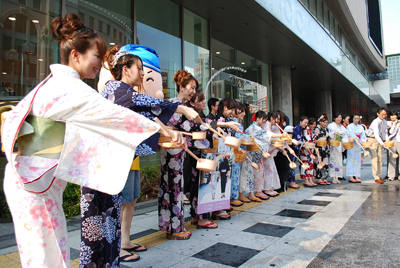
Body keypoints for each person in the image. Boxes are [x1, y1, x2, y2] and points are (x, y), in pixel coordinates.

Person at [2, 13, 162, 268]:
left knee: (48, 253)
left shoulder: (56, 84)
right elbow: (116, 116)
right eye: (96, 57)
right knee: (46, 257)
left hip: (35, 180)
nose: (100, 64)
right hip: (33, 182)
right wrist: (162, 133)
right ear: (76, 55)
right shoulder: (70, 89)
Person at [95, 45, 195, 262]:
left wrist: (164, 131)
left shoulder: (122, 92)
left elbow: (145, 120)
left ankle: (121, 245)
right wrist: (183, 109)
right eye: (138, 68)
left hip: (119, 158)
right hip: (111, 160)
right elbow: (151, 104)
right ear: (125, 69)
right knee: (113, 207)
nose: (141, 73)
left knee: (123, 201)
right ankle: (116, 251)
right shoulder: (118, 90)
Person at [367, 107, 389, 183]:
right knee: (375, 158)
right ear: (378, 114)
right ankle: (376, 176)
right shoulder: (375, 122)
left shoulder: (385, 122)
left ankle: (379, 175)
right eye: (382, 114)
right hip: (373, 139)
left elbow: (385, 132)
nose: (384, 116)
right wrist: (382, 143)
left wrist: (386, 141)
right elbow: (376, 134)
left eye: (385, 115)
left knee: (380, 158)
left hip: (380, 140)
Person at [346, 113, 367, 183]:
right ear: (353, 119)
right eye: (355, 118)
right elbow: (349, 134)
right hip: (352, 145)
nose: (356, 120)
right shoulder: (349, 126)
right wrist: (355, 138)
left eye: (358, 119)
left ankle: (357, 175)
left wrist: (364, 141)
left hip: (358, 145)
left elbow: (363, 136)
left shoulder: (361, 127)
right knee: (351, 159)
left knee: (358, 160)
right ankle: (351, 176)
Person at [328, 112, 347, 184]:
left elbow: (345, 136)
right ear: (334, 118)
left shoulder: (342, 127)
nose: (339, 119)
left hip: (339, 145)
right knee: (333, 160)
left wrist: (345, 142)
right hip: (333, 145)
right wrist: (334, 133)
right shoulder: (331, 126)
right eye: (338, 117)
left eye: (340, 117)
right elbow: (329, 134)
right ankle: (333, 177)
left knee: (339, 161)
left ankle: (337, 176)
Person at [289, 116, 309, 185]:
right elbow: (296, 142)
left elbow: (302, 139)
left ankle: (292, 181)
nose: (306, 124)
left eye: (307, 123)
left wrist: (305, 143)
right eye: (305, 122)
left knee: (293, 165)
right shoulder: (297, 129)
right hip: (293, 149)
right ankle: (292, 181)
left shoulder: (301, 129)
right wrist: (303, 144)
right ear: (300, 121)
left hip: (296, 150)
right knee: (292, 165)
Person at [314, 113, 331, 185]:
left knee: (326, 163)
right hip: (319, 148)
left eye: (326, 122)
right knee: (319, 163)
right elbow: (315, 138)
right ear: (320, 122)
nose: (325, 123)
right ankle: (320, 178)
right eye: (324, 122)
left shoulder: (326, 129)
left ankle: (324, 178)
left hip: (325, 148)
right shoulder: (317, 129)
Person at [300, 117, 317, 186]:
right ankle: (306, 180)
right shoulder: (306, 130)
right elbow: (308, 139)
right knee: (305, 164)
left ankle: (310, 179)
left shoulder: (311, 130)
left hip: (311, 149)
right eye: (311, 124)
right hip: (305, 150)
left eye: (314, 124)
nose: (313, 126)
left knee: (310, 164)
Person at [387, 111, 399, 181]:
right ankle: (391, 176)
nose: (393, 117)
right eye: (392, 115)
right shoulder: (388, 123)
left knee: (399, 159)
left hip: (398, 141)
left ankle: (398, 174)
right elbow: (390, 132)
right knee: (391, 159)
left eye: (394, 115)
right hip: (391, 142)